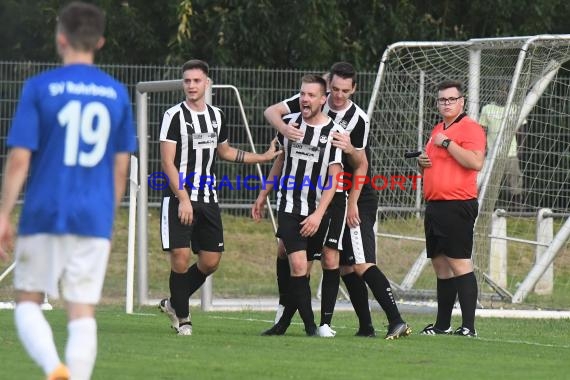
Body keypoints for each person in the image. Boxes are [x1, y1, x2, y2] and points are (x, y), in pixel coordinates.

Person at [0, 2, 137, 379]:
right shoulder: (116, 94)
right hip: (93, 216)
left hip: (44, 210)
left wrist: (2, 214)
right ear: (101, 42)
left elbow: (19, 159)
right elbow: (121, 165)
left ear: (60, 38)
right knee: (81, 311)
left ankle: (52, 367)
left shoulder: (40, 88)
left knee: (26, 301)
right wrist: (108, 219)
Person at [261, 62, 411, 339]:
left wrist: (350, 153)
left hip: (354, 193)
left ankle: (396, 320)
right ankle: (364, 327)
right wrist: (285, 129)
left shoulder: (358, 119)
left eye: (345, 90)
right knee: (335, 263)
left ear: (354, 89)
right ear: (327, 87)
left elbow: (361, 163)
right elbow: (272, 112)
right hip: (321, 194)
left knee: (358, 261)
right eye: (334, 89)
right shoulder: (312, 100)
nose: (338, 95)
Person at [158, 59, 281, 336]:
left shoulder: (217, 115)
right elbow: (167, 162)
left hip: (208, 198)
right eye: (187, 81)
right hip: (180, 197)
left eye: (196, 81)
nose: (191, 85)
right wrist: (184, 199)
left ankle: (173, 302)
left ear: (207, 83)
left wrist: (261, 157)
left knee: (211, 261)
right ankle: (184, 319)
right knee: (179, 256)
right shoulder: (173, 116)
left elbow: (224, 151)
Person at [259, 74, 343, 337]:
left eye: (311, 95)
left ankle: (284, 323)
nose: (305, 99)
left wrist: (319, 215)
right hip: (289, 207)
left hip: (316, 211)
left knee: (303, 270)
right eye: (302, 94)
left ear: (322, 99)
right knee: (297, 266)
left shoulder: (334, 134)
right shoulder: (290, 126)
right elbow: (279, 162)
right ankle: (310, 328)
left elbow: (334, 179)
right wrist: (263, 194)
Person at [417, 79, 485, 337]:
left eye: (451, 99)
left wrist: (447, 143)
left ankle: (468, 326)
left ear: (462, 101)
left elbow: (475, 162)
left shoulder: (470, 128)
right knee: (440, 266)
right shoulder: (436, 129)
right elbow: (433, 168)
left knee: (459, 263)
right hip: (435, 205)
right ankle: (442, 324)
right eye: (442, 100)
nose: (446, 103)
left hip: (457, 204)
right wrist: (422, 163)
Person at [478, 84, 524, 207]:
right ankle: (487, 208)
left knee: (515, 180)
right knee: (490, 183)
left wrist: (521, 148)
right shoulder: (487, 108)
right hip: (492, 154)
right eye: (499, 91)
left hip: (511, 152)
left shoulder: (515, 108)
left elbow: (522, 131)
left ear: (509, 93)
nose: (501, 93)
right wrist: (483, 150)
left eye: (504, 91)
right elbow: (481, 131)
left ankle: (517, 208)